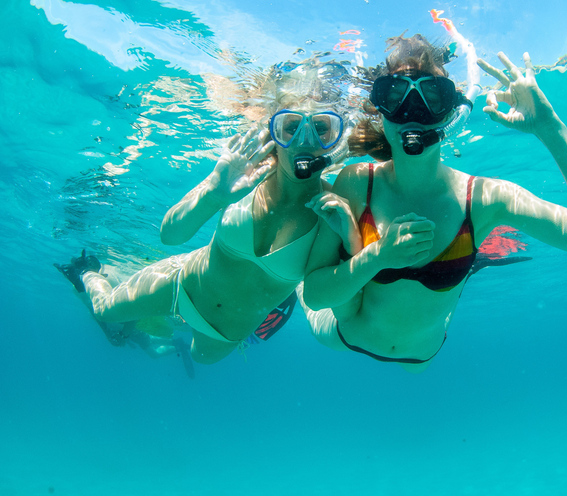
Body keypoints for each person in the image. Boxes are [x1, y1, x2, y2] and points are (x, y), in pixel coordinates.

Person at [302, 34, 567, 372]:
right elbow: (315, 295)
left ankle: (461, 260)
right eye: (395, 95)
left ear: (449, 113)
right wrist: (378, 256)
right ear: (380, 110)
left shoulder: (485, 198)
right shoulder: (357, 182)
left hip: (421, 357)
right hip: (346, 335)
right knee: (302, 278)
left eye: (432, 96)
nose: (413, 112)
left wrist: (549, 127)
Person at [56, 65, 360, 364]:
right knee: (103, 310)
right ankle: (87, 271)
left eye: (321, 128)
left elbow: (320, 296)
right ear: (273, 133)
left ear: (335, 139)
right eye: (291, 127)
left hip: (224, 331)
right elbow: (170, 235)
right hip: (179, 283)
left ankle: (155, 331)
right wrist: (214, 193)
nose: (305, 140)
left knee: (199, 359)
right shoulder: (240, 175)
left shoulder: (330, 211)